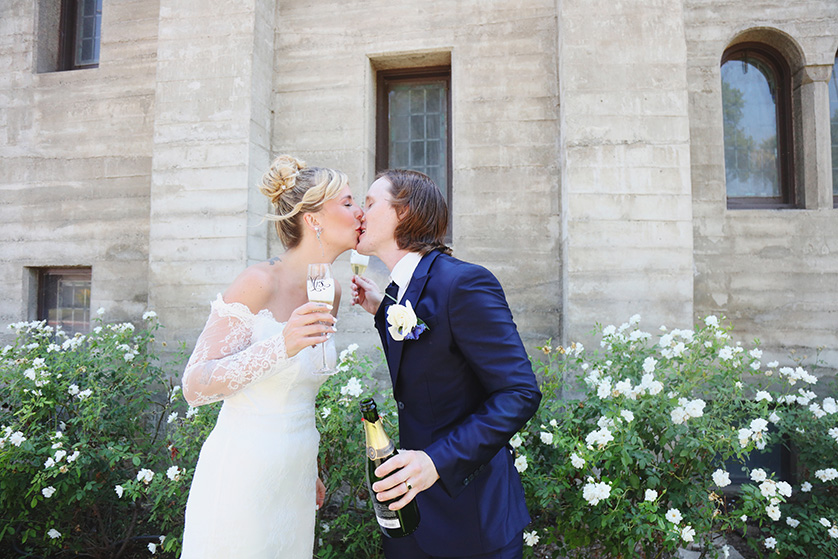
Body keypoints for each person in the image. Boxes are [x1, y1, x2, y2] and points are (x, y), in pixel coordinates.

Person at [351, 169, 542, 559]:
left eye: (370, 204)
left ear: (402, 213)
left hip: (473, 519)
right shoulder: (400, 292)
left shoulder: (464, 283)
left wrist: (436, 462)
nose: (359, 214)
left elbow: (519, 392)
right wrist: (382, 310)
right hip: (411, 517)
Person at [179, 155, 363, 558]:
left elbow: (297, 388)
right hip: (242, 475)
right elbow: (194, 384)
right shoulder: (258, 282)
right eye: (348, 203)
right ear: (313, 218)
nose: (360, 212)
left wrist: (310, 466)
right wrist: (281, 345)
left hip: (293, 479)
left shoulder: (327, 289)